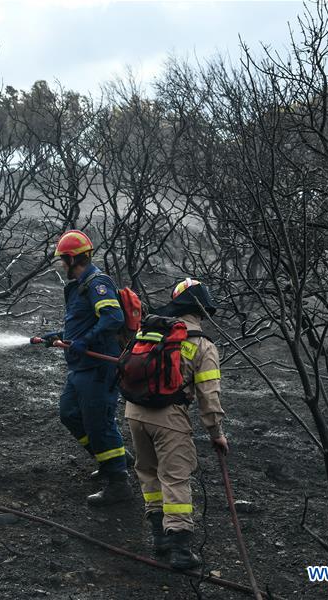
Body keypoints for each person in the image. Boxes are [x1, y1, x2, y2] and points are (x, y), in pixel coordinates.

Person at [125, 278, 228, 569]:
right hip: (169, 418)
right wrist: (216, 433)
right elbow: (209, 395)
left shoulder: (152, 330)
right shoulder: (203, 345)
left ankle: (159, 538)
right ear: (203, 308)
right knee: (175, 478)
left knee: (148, 473)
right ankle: (181, 551)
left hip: (134, 413)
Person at [37, 230, 133, 506]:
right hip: (81, 366)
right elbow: (84, 324)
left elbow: (113, 317)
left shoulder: (97, 283)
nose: (61, 265)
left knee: (98, 422)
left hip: (99, 366)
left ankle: (118, 483)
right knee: (69, 413)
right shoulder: (79, 286)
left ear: (71, 258)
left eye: (62, 260)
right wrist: (60, 336)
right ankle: (114, 458)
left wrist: (85, 340)